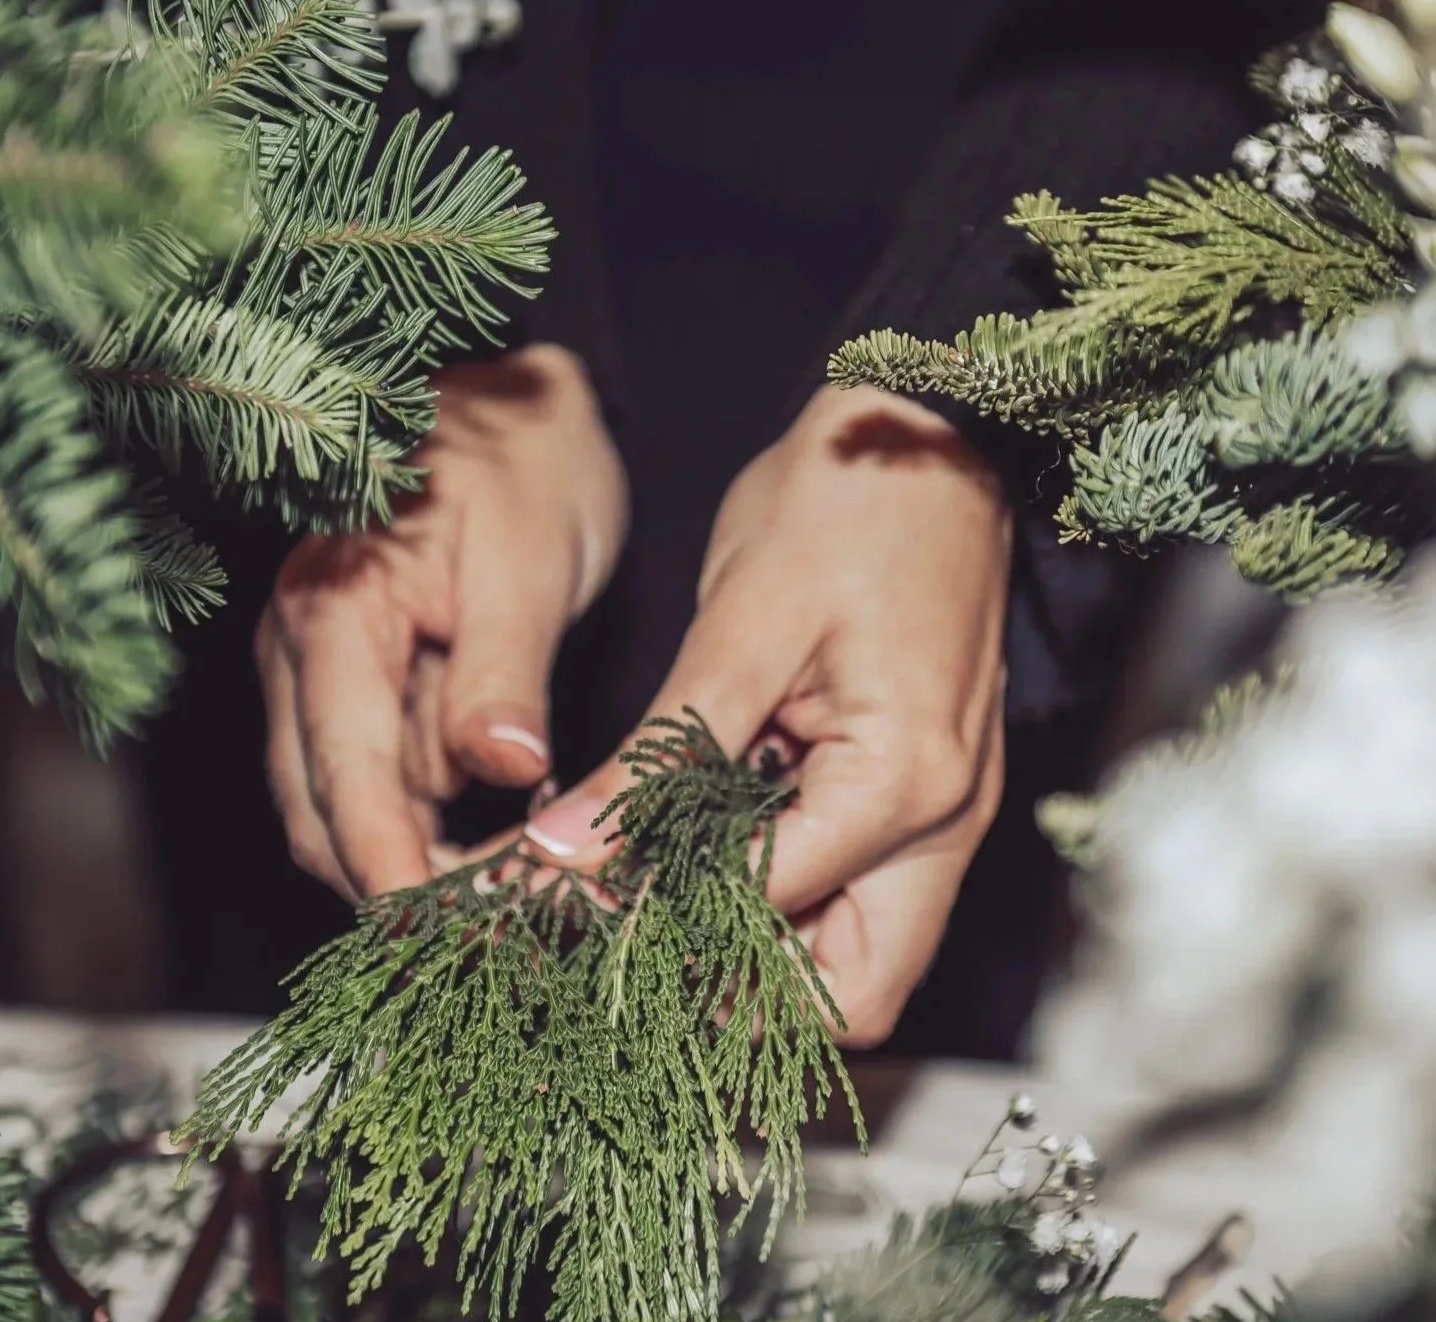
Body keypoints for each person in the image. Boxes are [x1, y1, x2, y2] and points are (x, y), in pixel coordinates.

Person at [241, 0, 1311, 1047]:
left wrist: (960, 379)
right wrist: (441, 305)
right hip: (437, 203)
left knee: (874, 961)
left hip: (1000, 178)